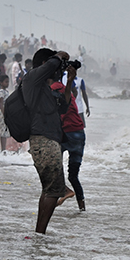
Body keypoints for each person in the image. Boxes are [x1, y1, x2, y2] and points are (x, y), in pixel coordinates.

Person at [22, 48, 72, 234]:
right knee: (53, 190)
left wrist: (70, 79)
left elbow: (65, 104)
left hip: (48, 140)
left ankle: (39, 233)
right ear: (44, 64)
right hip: (43, 140)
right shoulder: (31, 80)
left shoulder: (43, 88)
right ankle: (40, 233)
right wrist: (58, 56)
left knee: (48, 189)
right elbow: (50, 64)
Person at [51, 70, 86, 211]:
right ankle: (82, 208)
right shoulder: (67, 91)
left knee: (52, 166)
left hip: (66, 133)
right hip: (79, 134)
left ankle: (65, 191)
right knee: (73, 175)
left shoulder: (52, 90)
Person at [0, 75, 11, 152]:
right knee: (3, 133)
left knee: (4, 132)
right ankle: (3, 149)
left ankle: (3, 149)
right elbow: (1, 103)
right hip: (2, 114)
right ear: (1, 83)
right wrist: (4, 114)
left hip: (5, 112)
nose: (7, 83)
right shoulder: (1, 92)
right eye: (6, 82)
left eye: (8, 82)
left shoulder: (6, 92)